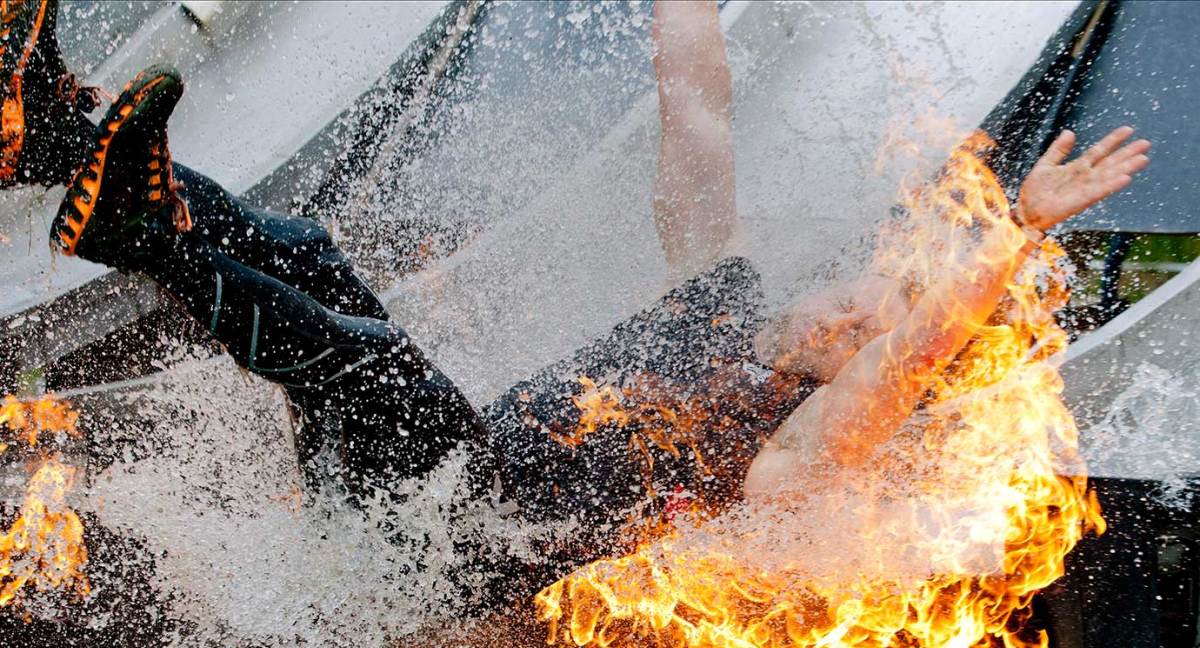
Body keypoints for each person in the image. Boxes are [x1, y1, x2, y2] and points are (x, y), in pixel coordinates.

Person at [1, 0, 1149, 592]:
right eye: (856, 294)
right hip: (419, 484)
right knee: (312, 257)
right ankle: (45, 133)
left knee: (370, 356)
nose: (847, 311)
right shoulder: (720, 300)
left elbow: (909, 358)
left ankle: (131, 226)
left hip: (442, 557)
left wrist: (1014, 232)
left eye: (864, 329)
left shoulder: (784, 447)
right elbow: (696, 110)